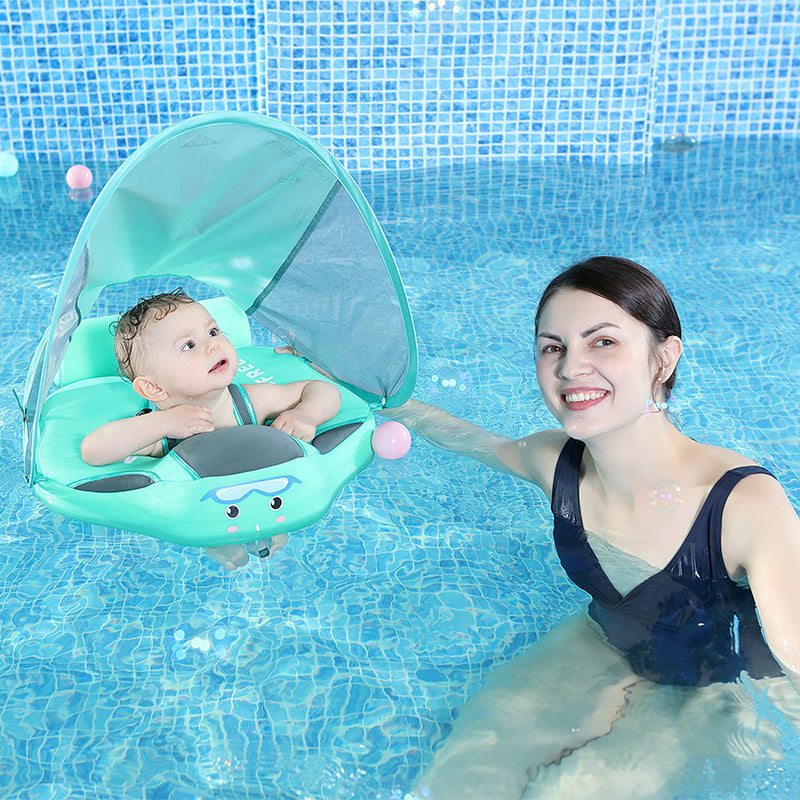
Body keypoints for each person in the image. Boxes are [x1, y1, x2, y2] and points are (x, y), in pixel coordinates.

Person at [382, 257, 800, 799]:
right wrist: (367, 396)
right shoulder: (556, 461)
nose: (570, 368)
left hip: (704, 690)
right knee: (457, 781)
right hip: (601, 639)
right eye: (552, 347)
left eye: (602, 342)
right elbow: (468, 439)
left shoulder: (743, 504)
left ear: (664, 358)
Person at [81, 290, 342, 571]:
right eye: (189, 345)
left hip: (263, 495)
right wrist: (164, 423)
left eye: (213, 331)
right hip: (203, 513)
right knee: (216, 531)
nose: (213, 346)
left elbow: (320, 389)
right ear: (153, 388)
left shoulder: (249, 402)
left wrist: (306, 414)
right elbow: (93, 451)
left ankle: (267, 528)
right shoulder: (163, 433)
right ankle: (217, 543)